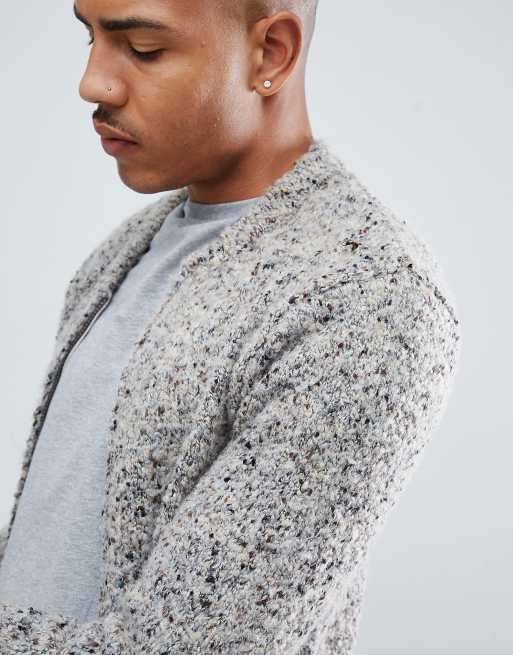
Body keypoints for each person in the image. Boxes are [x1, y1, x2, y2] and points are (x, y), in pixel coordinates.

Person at [0, 1, 462, 653]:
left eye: (142, 48)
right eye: (90, 38)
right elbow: (48, 551)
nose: (92, 83)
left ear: (271, 52)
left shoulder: (364, 296)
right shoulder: (122, 253)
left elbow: (193, 644)